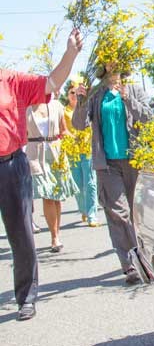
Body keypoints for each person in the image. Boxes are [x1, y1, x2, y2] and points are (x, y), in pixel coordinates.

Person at [0, 28, 83, 321]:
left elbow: (51, 82)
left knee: (21, 235)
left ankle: (26, 298)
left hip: (10, 165)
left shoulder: (11, 80)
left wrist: (71, 52)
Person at [72, 63, 152, 284]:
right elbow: (79, 124)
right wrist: (81, 100)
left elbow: (149, 118)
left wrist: (129, 99)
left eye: (119, 59)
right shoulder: (96, 93)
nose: (114, 63)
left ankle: (144, 258)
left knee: (137, 214)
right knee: (119, 213)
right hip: (107, 164)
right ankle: (130, 264)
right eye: (110, 59)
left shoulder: (134, 89)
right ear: (104, 64)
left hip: (135, 161)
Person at [26, 95, 78, 253]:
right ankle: (54, 237)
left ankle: (57, 233)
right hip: (35, 154)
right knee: (47, 194)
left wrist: (78, 139)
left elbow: (63, 130)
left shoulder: (56, 105)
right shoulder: (26, 109)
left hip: (56, 152)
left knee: (56, 196)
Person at [64, 79, 99, 227]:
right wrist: (73, 138)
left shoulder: (86, 107)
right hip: (72, 152)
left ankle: (92, 214)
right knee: (78, 185)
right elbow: (63, 130)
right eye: (72, 92)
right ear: (67, 95)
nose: (74, 95)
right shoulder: (64, 111)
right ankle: (83, 209)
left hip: (87, 149)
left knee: (90, 183)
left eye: (76, 92)